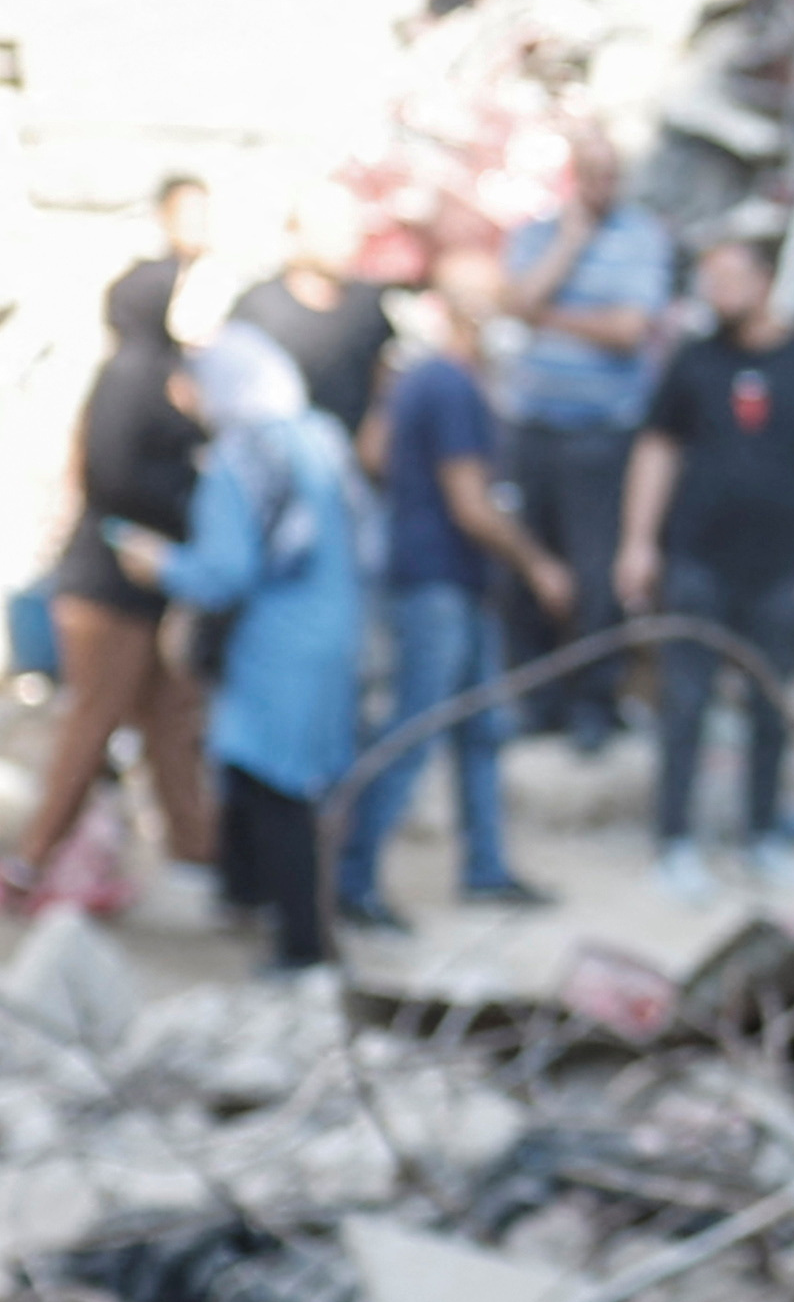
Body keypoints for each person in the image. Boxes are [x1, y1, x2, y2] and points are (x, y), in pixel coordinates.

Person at [624, 236, 794, 899]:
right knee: (685, 703)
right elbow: (657, 448)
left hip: (780, 568)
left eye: (729, 277)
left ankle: (762, 834)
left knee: (771, 704)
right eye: (708, 279)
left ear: (763, 280)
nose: (717, 291)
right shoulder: (694, 362)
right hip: (697, 561)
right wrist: (639, 541)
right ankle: (674, 840)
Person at [344, 245, 569, 924]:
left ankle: (486, 866)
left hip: (444, 578)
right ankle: (353, 878)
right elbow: (473, 505)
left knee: (480, 730)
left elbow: (373, 452)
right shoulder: (453, 386)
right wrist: (538, 563)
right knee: (418, 728)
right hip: (439, 580)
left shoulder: (418, 379)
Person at [130, 327, 362, 976]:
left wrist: (160, 564)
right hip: (334, 633)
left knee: (273, 785)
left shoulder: (241, 459)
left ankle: (300, 946)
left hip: (276, 647)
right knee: (296, 782)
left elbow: (226, 571)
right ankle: (253, 899)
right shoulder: (321, 438)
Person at [18, 262, 217, 911]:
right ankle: (31, 859)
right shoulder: (131, 376)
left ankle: (200, 858)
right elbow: (113, 473)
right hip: (109, 585)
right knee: (94, 719)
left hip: (148, 586)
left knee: (169, 718)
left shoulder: (165, 376)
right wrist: (189, 496)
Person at [494, 133, 676, 741]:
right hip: (532, 426)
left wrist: (547, 316)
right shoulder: (541, 233)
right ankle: (535, 701)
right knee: (528, 569)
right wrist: (569, 247)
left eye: (610, 173)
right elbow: (513, 300)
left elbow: (628, 330)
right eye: (589, 173)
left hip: (603, 434)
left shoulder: (643, 238)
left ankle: (593, 703)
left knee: (598, 575)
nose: (600, 185)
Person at [230, 191, 397, 452]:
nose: (348, 240)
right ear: (298, 233)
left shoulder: (367, 302)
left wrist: (378, 427)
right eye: (335, 229)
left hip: (356, 464)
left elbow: (384, 374)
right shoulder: (260, 306)